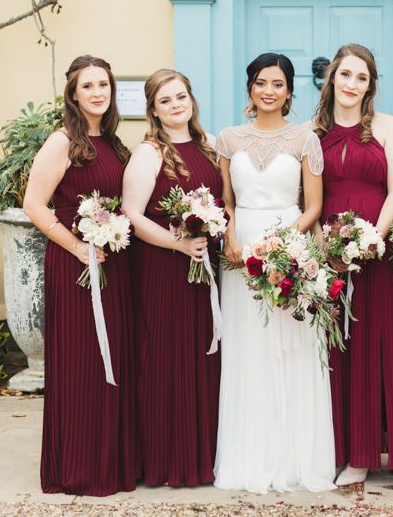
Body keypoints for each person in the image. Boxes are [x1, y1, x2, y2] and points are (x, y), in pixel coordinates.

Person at [213, 53, 335, 493]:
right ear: (250, 87)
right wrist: (230, 237)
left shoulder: (306, 139)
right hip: (240, 251)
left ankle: (295, 458)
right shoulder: (227, 139)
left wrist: (281, 244)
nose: (269, 91)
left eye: (278, 84)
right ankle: (248, 456)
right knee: (247, 348)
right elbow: (226, 200)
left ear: (288, 91)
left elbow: (314, 206)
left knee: (290, 348)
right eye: (261, 82)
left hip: (289, 246)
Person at [23, 55, 136, 496]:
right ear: (72, 94)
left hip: (113, 263)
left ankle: (112, 461)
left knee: (114, 358)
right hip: (75, 265)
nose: (97, 92)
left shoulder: (113, 143)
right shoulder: (62, 141)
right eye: (87, 86)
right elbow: (34, 204)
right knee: (82, 363)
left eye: (103, 84)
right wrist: (76, 248)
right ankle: (78, 466)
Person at [312, 43, 393, 486]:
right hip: (328, 252)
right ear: (332, 77)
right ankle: (333, 446)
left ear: (370, 86)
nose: (352, 84)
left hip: (377, 252)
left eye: (362, 78)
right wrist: (323, 248)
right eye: (346, 75)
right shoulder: (312, 131)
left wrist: (373, 239)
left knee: (374, 346)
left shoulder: (386, 127)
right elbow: (306, 197)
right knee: (335, 350)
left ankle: (364, 454)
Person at [122, 69, 221, 487]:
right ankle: (166, 460)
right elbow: (132, 214)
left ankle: (203, 455)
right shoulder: (148, 154)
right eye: (166, 100)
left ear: (191, 99)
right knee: (166, 360)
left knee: (203, 358)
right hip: (163, 270)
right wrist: (177, 244)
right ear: (154, 110)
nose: (176, 105)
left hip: (205, 269)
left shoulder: (210, 144)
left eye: (181, 96)